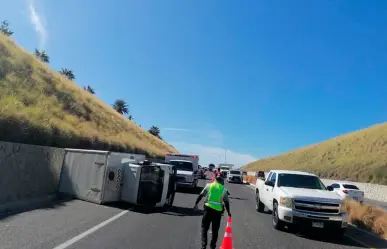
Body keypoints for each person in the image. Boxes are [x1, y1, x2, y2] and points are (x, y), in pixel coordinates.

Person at [193, 176, 231, 249]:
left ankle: (204, 245)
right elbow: (226, 203)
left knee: (204, 228)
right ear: (222, 182)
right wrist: (229, 212)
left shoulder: (209, 185)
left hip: (208, 209)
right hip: (217, 212)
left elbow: (201, 195)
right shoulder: (224, 189)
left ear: (215, 180)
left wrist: (196, 204)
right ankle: (212, 246)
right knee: (215, 230)